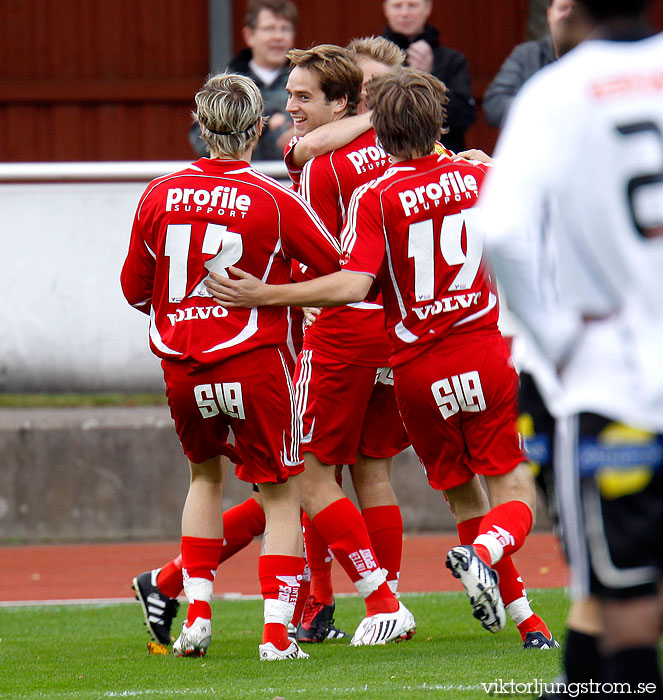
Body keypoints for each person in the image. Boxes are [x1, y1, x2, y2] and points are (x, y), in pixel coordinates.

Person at [204, 67, 554, 648]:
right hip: (483, 349)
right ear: (439, 120)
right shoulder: (478, 174)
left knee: (449, 488)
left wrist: (268, 294)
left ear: (377, 129)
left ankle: (527, 623)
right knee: (514, 493)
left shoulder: (375, 194)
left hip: (415, 367)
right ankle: (485, 559)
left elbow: (353, 283)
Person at [121, 72, 343, 661]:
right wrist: (276, 292)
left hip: (181, 363)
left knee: (204, 478)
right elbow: (336, 274)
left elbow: (134, 290)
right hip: (252, 358)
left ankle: (197, 615)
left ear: (202, 125)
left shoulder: (157, 193)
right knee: (279, 492)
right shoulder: (273, 198)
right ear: (255, 130)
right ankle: (275, 633)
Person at [480, 0, 663, 692]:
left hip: (610, 382)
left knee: (624, 599)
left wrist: (553, 339)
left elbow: (498, 231)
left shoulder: (556, 93)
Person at [279, 42, 417, 647]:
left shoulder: (321, 163)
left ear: (345, 101)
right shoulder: (404, 148)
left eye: (303, 97)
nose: (291, 107)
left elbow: (320, 249)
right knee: (373, 473)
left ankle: (349, 603)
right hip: (400, 328)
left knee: (310, 472)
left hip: (340, 325)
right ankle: (382, 602)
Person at [189, 0, 296, 161]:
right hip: (238, 180)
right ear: (249, 35)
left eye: (285, 29)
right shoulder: (223, 85)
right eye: (269, 29)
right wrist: (263, 126)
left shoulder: (307, 83)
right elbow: (200, 139)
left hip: (292, 182)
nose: (278, 37)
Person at [381, 0, 476, 152]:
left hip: (443, 156)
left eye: (412, 5)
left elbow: (463, 119)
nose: (405, 13)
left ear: (427, 8)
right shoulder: (375, 60)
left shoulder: (452, 60)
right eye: (397, 6)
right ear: (386, 9)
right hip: (386, 154)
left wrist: (430, 76)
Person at [483, 0, 594, 128]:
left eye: (574, 9)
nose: (568, 16)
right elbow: (495, 106)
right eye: (563, 8)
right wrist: (549, 109)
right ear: (549, 14)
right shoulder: (526, 55)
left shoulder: (598, 55)